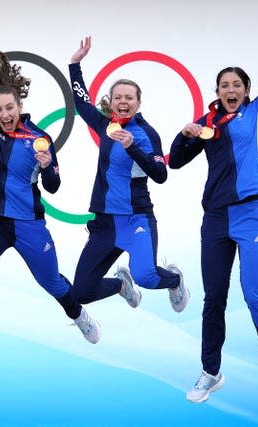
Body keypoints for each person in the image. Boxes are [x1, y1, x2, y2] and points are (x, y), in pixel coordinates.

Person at [0, 14, 101, 344]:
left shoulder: (39, 137)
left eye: (8, 108)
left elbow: (53, 186)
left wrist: (48, 165)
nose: (4, 114)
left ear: (19, 105)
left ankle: (78, 314)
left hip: (28, 223)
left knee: (52, 282)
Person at [168, 1, 258, 405]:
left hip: (251, 213)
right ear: (217, 92)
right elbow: (173, 161)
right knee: (214, 297)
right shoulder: (208, 125)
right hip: (215, 219)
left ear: (245, 91)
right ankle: (210, 372)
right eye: (224, 85)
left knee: (254, 293)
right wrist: (187, 134)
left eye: (236, 85)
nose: (230, 90)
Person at [68, 37, 189, 313]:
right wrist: (75, 64)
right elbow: (82, 102)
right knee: (82, 291)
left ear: (138, 102)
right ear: (111, 103)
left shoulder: (146, 134)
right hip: (105, 223)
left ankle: (174, 279)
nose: (123, 102)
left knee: (146, 276)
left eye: (129, 98)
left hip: (136, 218)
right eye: (118, 97)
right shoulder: (105, 125)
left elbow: (160, 175)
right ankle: (122, 285)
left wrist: (132, 147)